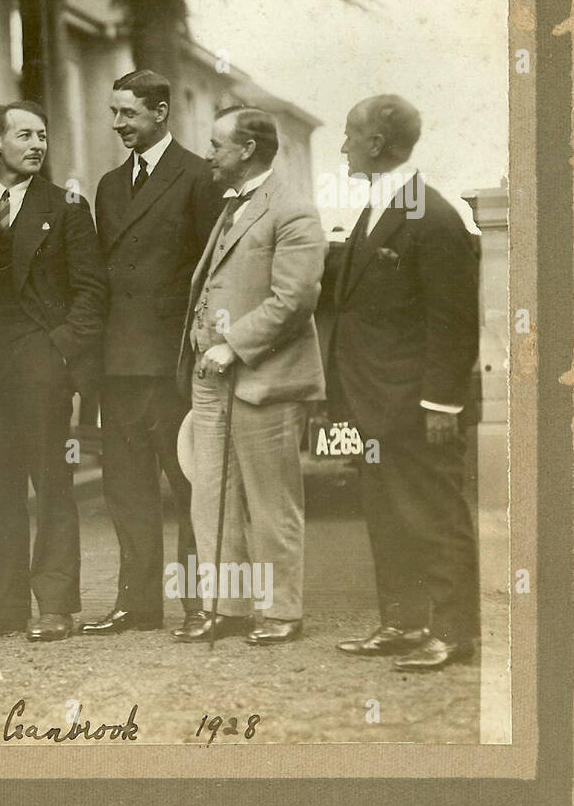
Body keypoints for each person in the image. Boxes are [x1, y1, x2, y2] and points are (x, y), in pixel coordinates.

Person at [331, 95, 481, 670]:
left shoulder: (432, 215)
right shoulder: (379, 206)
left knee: (434, 513)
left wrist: (442, 402)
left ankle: (453, 632)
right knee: (387, 513)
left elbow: (454, 318)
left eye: (350, 133)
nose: (343, 146)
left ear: (375, 144)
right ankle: (402, 621)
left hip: (415, 404)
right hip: (374, 403)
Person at [174, 106, 326, 646]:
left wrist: (233, 346)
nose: (209, 154)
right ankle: (227, 607)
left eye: (217, 145)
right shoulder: (232, 207)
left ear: (247, 151)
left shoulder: (292, 209)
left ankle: (282, 611)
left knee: (271, 499)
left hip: (263, 379)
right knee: (210, 496)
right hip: (212, 379)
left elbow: (295, 299)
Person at [85, 70, 223, 635]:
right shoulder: (110, 185)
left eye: (129, 114)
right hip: (118, 363)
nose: (118, 125)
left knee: (189, 480)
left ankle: (198, 604)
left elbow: (213, 271)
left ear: (161, 113)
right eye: (114, 114)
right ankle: (136, 604)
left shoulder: (198, 176)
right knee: (126, 485)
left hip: (172, 362)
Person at [0, 101, 105, 642]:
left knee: (51, 486)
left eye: (42, 136)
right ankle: (1, 606)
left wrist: (60, 353)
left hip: (41, 364)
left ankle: (55, 604)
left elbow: (92, 291)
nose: (37, 145)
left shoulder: (67, 206)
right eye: (24, 135)